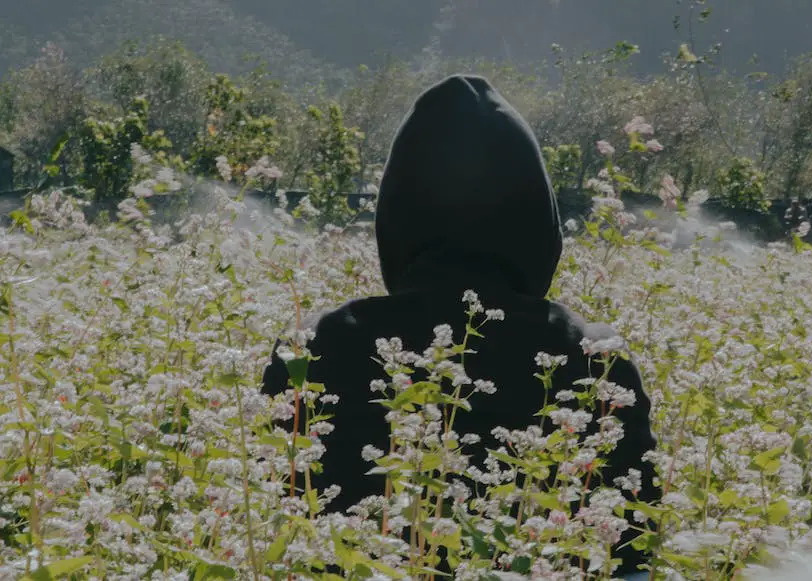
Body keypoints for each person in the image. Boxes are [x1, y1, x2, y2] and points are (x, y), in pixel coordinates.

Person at [262, 74, 659, 579]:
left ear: (398, 217)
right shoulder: (595, 356)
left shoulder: (315, 344)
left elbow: (272, 522)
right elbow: (630, 555)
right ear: (537, 219)